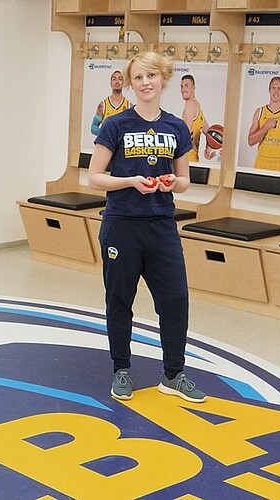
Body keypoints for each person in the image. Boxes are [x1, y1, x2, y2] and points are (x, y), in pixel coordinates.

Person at [87, 51, 206, 404]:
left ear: (163, 79)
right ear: (131, 82)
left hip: (162, 226)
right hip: (122, 225)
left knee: (175, 299)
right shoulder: (116, 125)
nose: (145, 83)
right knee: (120, 299)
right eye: (138, 77)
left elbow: (185, 180)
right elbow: (95, 178)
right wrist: (130, 181)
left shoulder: (176, 127)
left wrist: (172, 182)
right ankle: (121, 369)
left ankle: (173, 374)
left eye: (151, 76)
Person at [179, 74, 216, 162]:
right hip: (194, 160)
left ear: (193, 87)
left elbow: (185, 132)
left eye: (186, 86)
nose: (183, 89)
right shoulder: (197, 106)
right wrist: (208, 147)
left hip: (186, 161)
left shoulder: (190, 103)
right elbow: (209, 132)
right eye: (181, 86)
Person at [90, 70, 130, 136]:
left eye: (120, 79)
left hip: (121, 145)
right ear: (111, 83)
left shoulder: (129, 106)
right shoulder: (103, 105)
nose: (117, 82)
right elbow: (94, 127)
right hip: (107, 145)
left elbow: (133, 128)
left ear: (123, 83)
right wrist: (106, 134)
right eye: (114, 79)